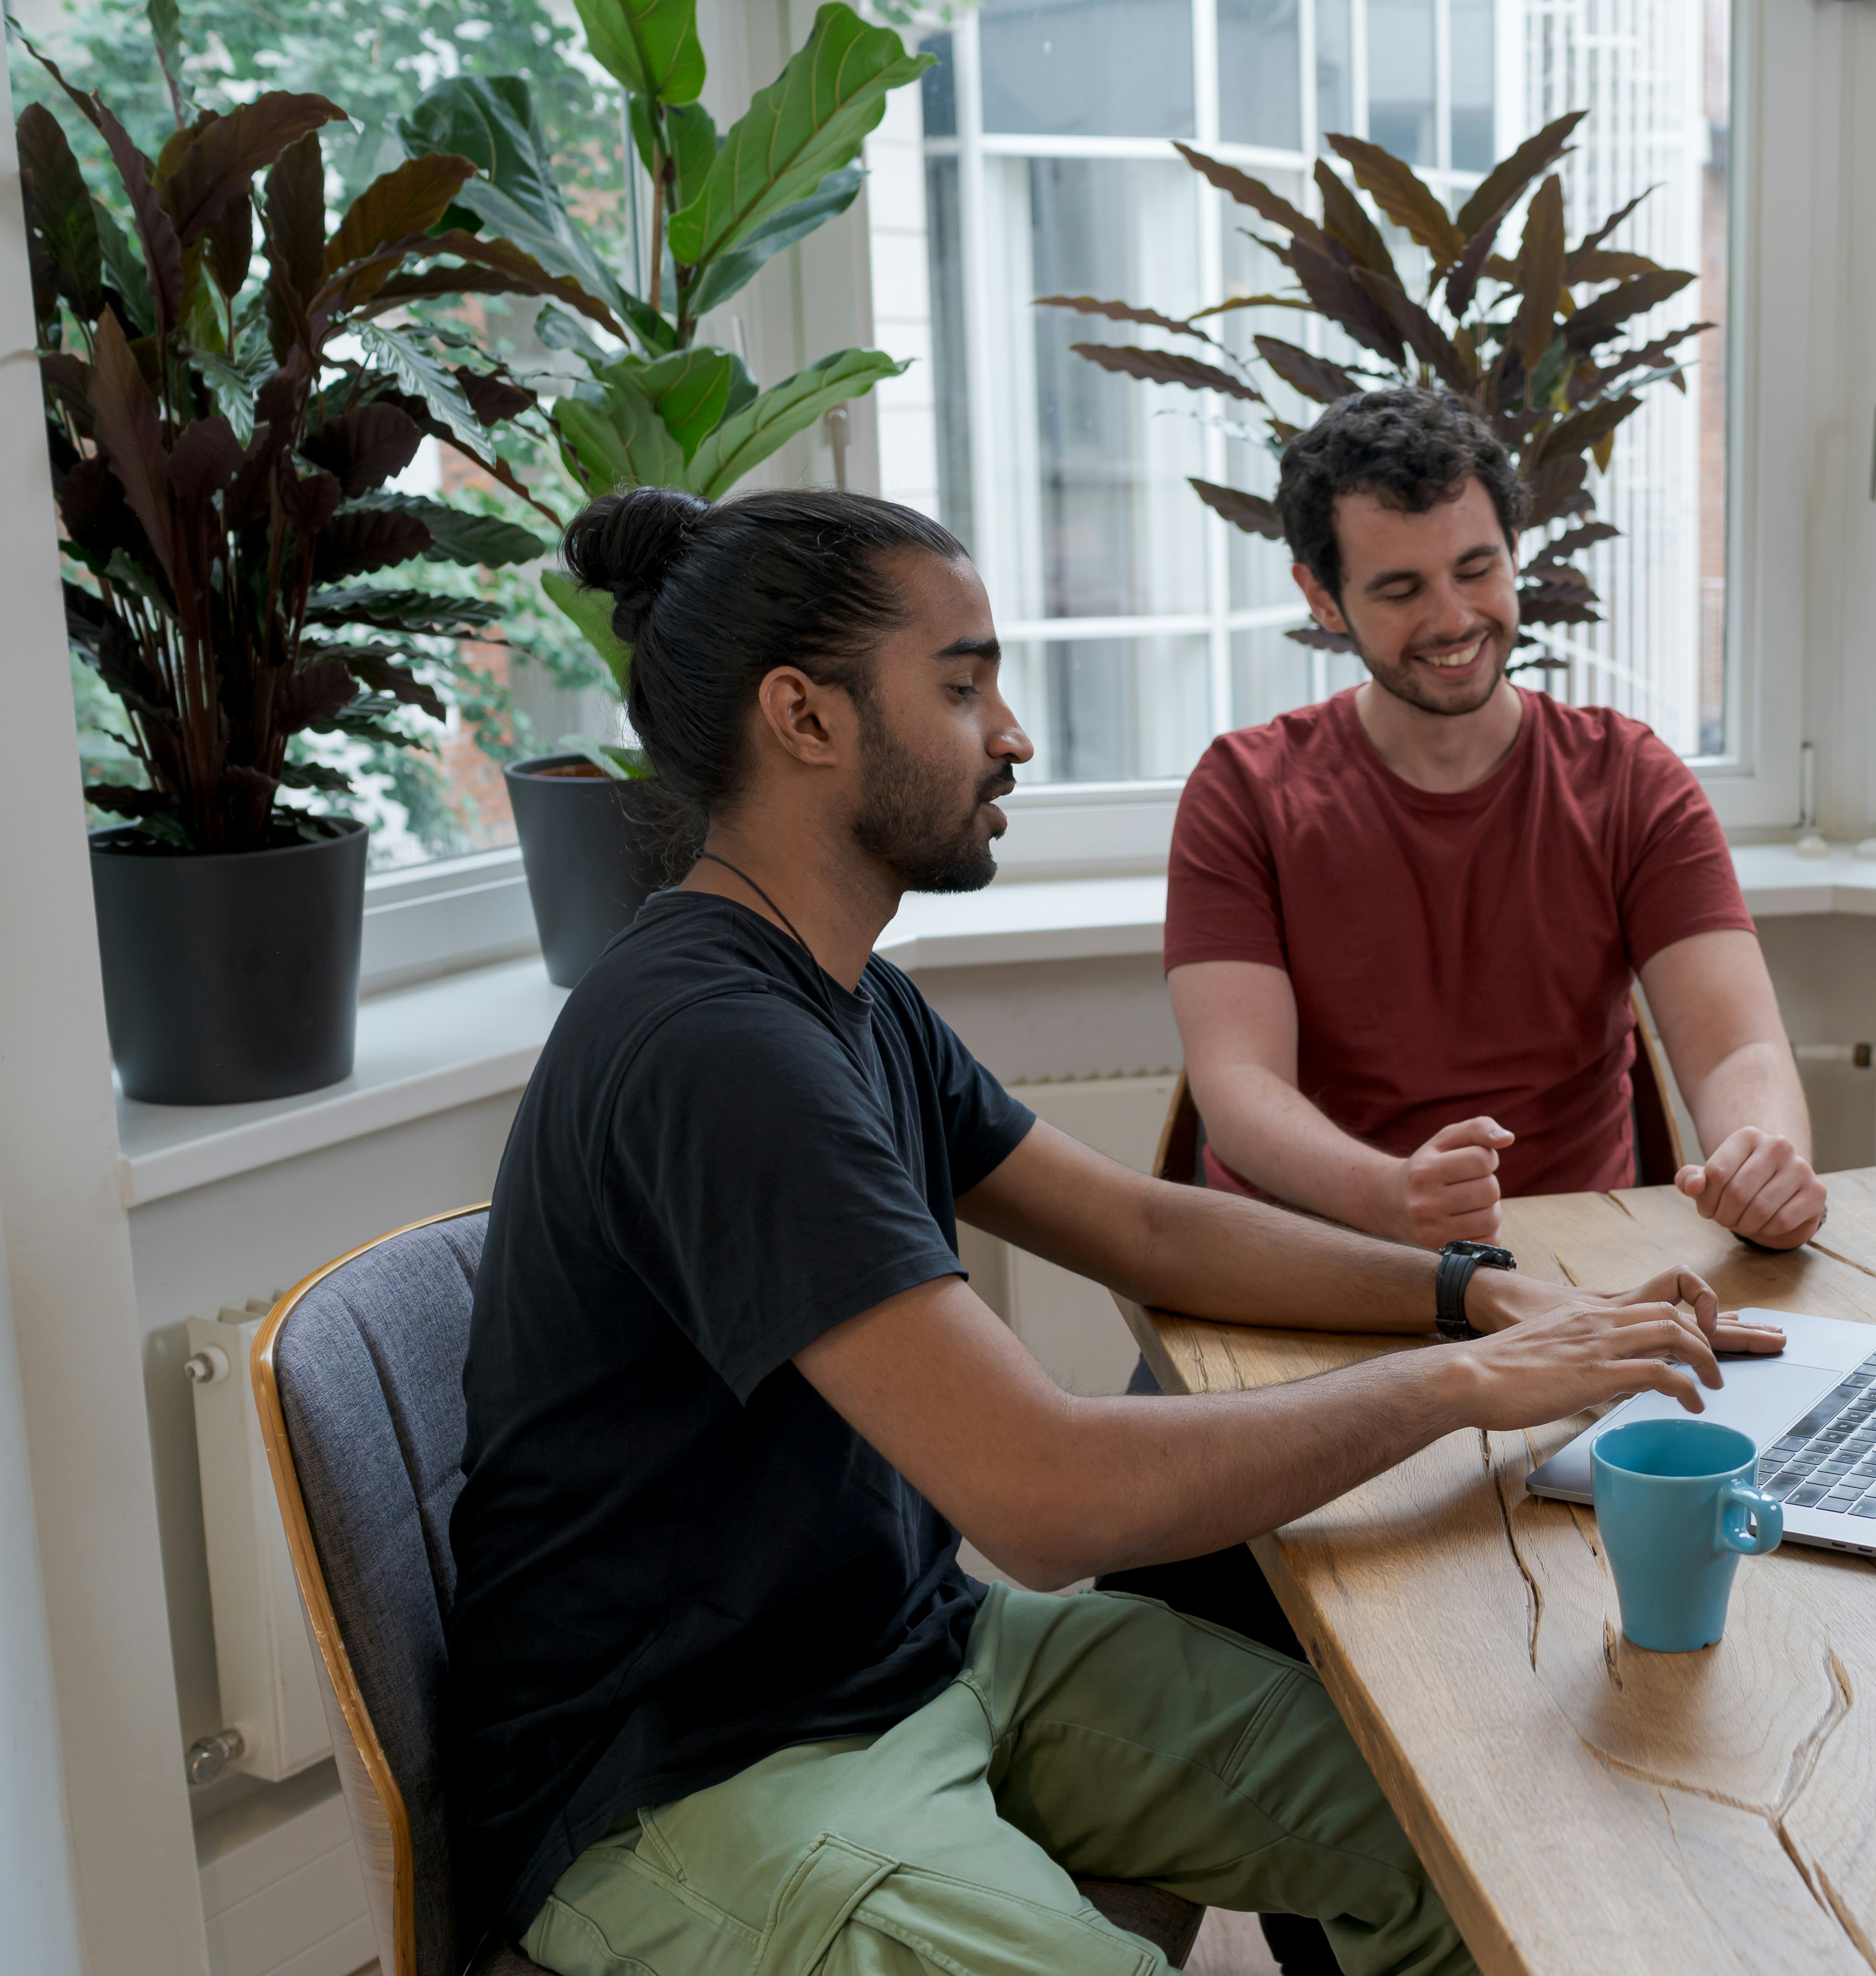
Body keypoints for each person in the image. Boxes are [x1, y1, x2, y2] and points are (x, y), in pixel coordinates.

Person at [446, 485, 1786, 1976]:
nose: (1012, 733)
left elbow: (1145, 1228)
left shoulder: (847, 997)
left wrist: (1473, 1295)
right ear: (803, 719)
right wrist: (1461, 1387)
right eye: (962, 686)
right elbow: (1045, 1492)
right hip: (692, 1777)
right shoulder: (716, 1046)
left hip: (914, 1657)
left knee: (1470, 1837)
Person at [1165, 388, 1829, 1255]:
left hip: (1576, 1262)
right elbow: (1239, 1086)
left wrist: (1763, 1158)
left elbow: (1737, 1047)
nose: (1453, 620)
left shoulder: (1629, 779)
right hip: (1317, 1257)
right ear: (1323, 598)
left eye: (1476, 570)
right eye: (1400, 589)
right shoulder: (1244, 791)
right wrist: (1391, 1195)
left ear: (1515, 550)